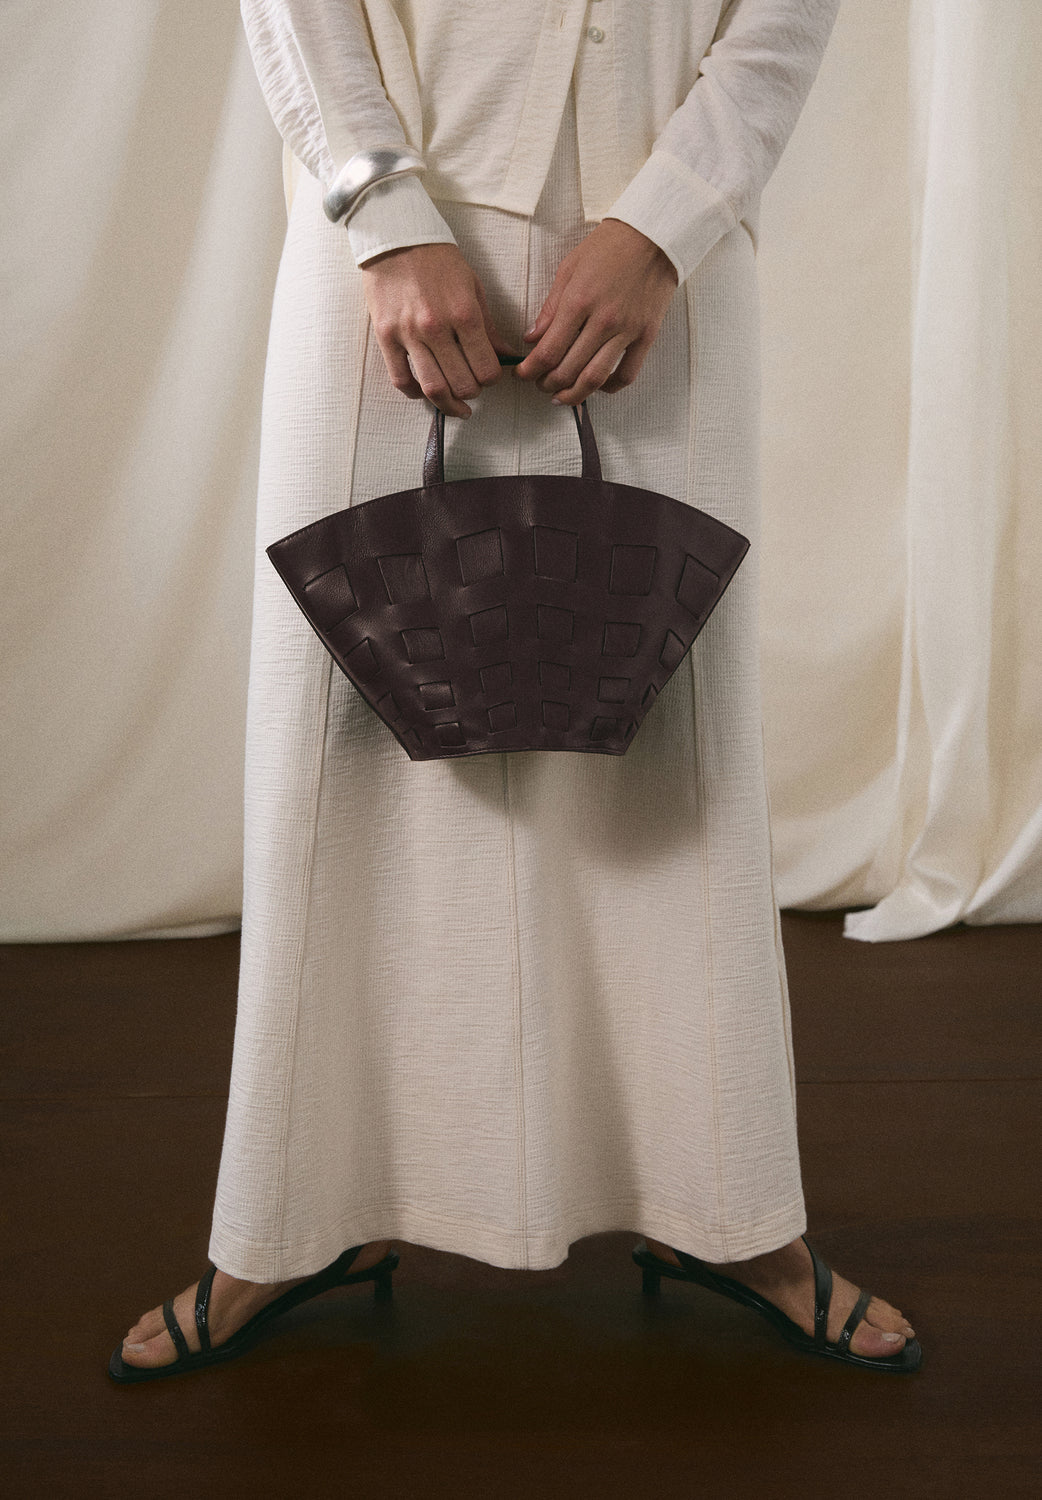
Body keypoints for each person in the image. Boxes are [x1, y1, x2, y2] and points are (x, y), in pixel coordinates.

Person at [110, 0, 920, 1380]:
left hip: (657, 278)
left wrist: (666, 221)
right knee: (335, 758)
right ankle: (291, 1215)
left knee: (673, 758)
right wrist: (379, 211)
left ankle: (730, 1212)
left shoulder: (665, 247)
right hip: (386, 264)